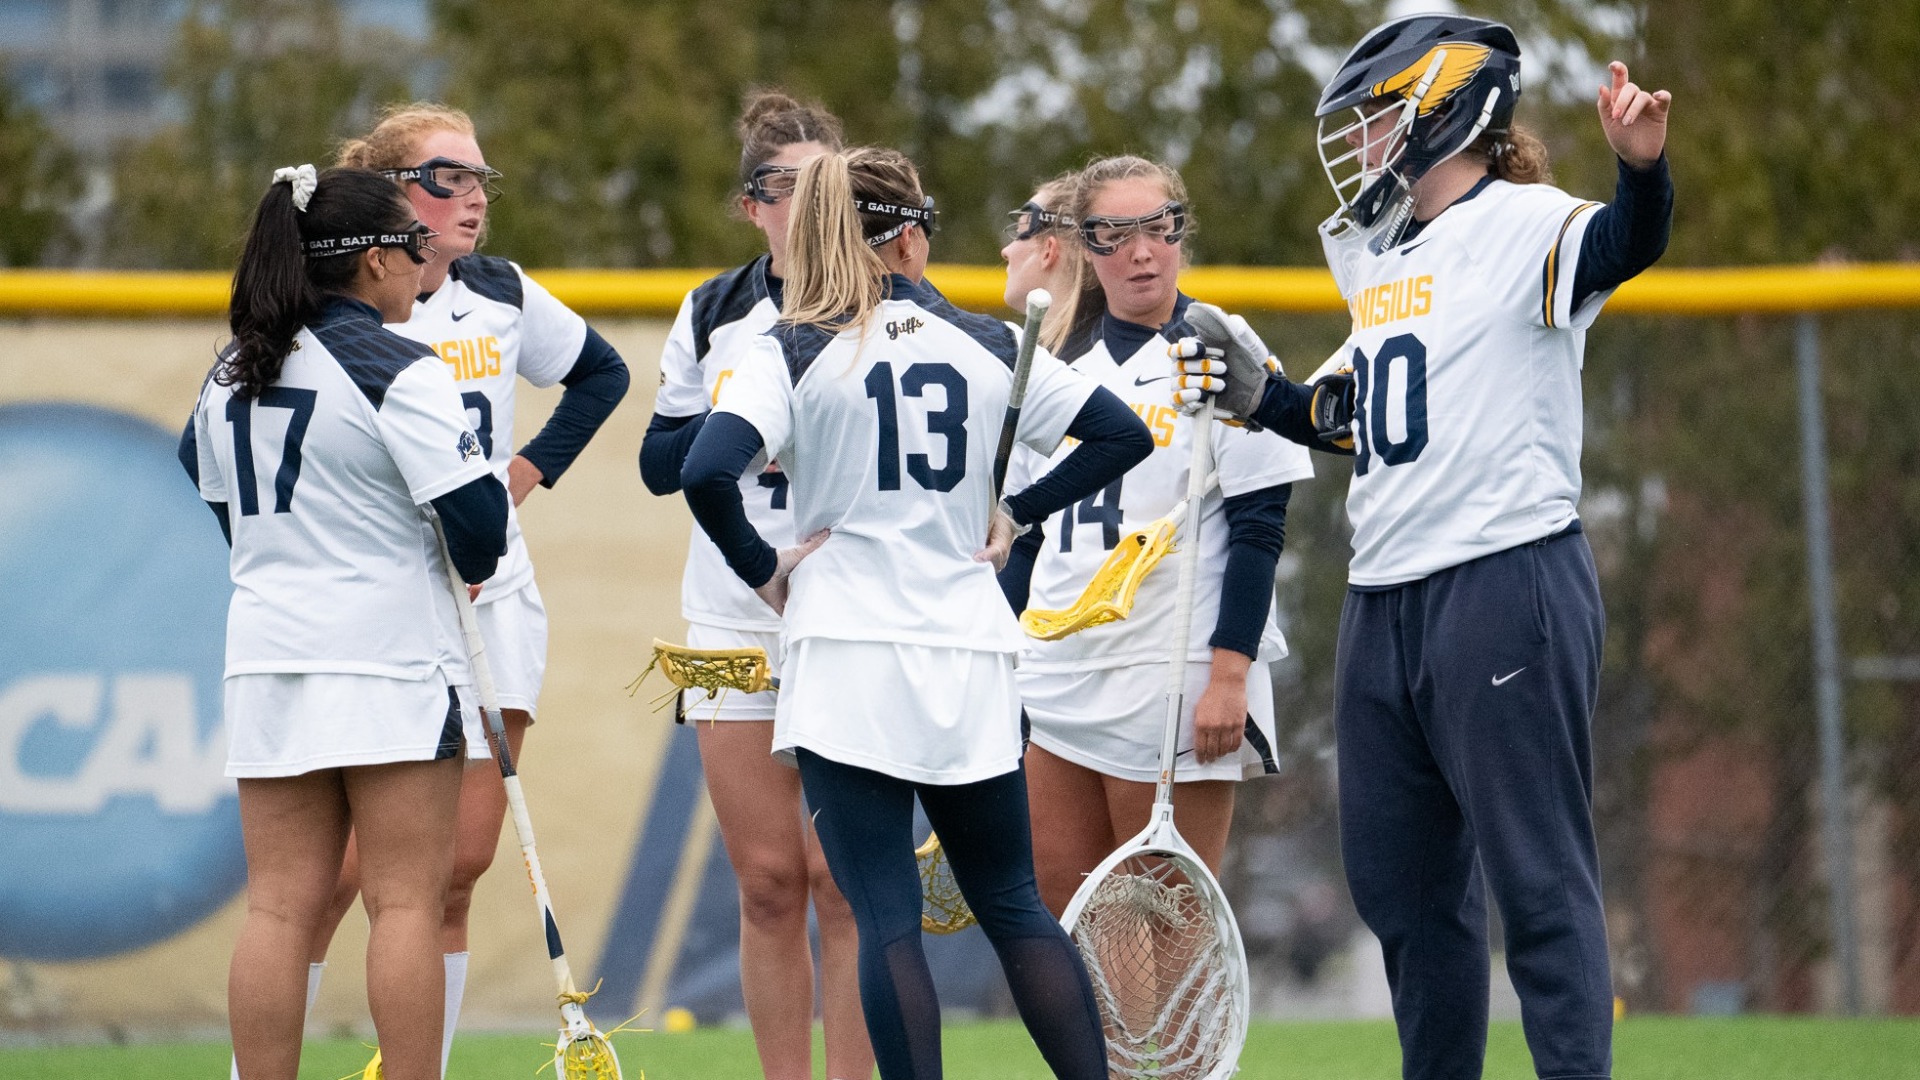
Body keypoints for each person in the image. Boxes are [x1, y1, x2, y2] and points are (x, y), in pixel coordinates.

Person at [1173, 15, 1673, 1080]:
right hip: (1384, 599)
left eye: (1378, 118)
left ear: (1451, 108)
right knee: (1404, 894)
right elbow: (1356, 417)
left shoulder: (1527, 222)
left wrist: (1643, 171)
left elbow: (1628, 245)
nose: (1362, 144)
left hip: (1504, 578)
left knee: (1539, 887)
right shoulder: (1393, 255)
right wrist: (1261, 397)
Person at [679, 147, 1152, 1080]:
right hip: (968, 650)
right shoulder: (986, 341)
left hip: (849, 654)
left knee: (887, 918)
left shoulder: (791, 345)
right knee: (1013, 904)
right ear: (906, 236)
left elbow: (702, 469)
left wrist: (762, 568)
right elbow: (1120, 434)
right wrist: (1019, 512)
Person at [307, 102, 631, 1079]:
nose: (477, 194)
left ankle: (415, 1068)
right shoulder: (342, 317)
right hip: (387, 605)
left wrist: (525, 474)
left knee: (457, 869)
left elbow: (602, 375)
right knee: (337, 876)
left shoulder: (501, 292)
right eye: (452, 175)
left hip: (497, 602)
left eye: (484, 175)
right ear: (397, 190)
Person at [180, 164, 508, 1080]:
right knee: (405, 904)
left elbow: (202, 478)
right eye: (416, 243)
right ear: (373, 262)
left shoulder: (230, 372)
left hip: (268, 654)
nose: (427, 259)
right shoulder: (398, 367)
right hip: (388, 660)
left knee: (277, 910)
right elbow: (480, 531)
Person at [999, 156, 1315, 919]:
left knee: (1168, 910)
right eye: (1115, 233)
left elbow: (1259, 527)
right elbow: (1023, 537)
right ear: (1084, 245)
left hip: (1168, 668)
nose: (1142, 252)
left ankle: (1180, 1048)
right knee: (1070, 909)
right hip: (1058, 668)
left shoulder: (1221, 348)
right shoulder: (1049, 364)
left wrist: (1230, 677)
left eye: (1160, 228)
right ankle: (1104, 1049)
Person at [637, 90, 874, 1080]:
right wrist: (745, 418)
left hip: (852, 612)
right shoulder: (714, 313)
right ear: (751, 204)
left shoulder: (882, 307)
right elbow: (660, 464)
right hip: (738, 610)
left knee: (843, 880)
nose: (809, 205)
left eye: (829, 185)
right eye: (786, 188)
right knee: (769, 881)